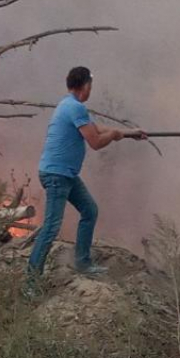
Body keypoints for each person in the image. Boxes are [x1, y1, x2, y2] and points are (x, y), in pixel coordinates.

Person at [27, 66, 145, 277]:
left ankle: (83, 263)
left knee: (89, 211)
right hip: (57, 175)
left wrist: (129, 133)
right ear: (85, 86)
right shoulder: (75, 108)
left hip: (66, 174)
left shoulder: (68, 105)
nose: (91, 89)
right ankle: (31, 280)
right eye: (91, 85)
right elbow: (96, 142)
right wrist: (115, 134)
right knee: (51, 227)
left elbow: (95, 128)